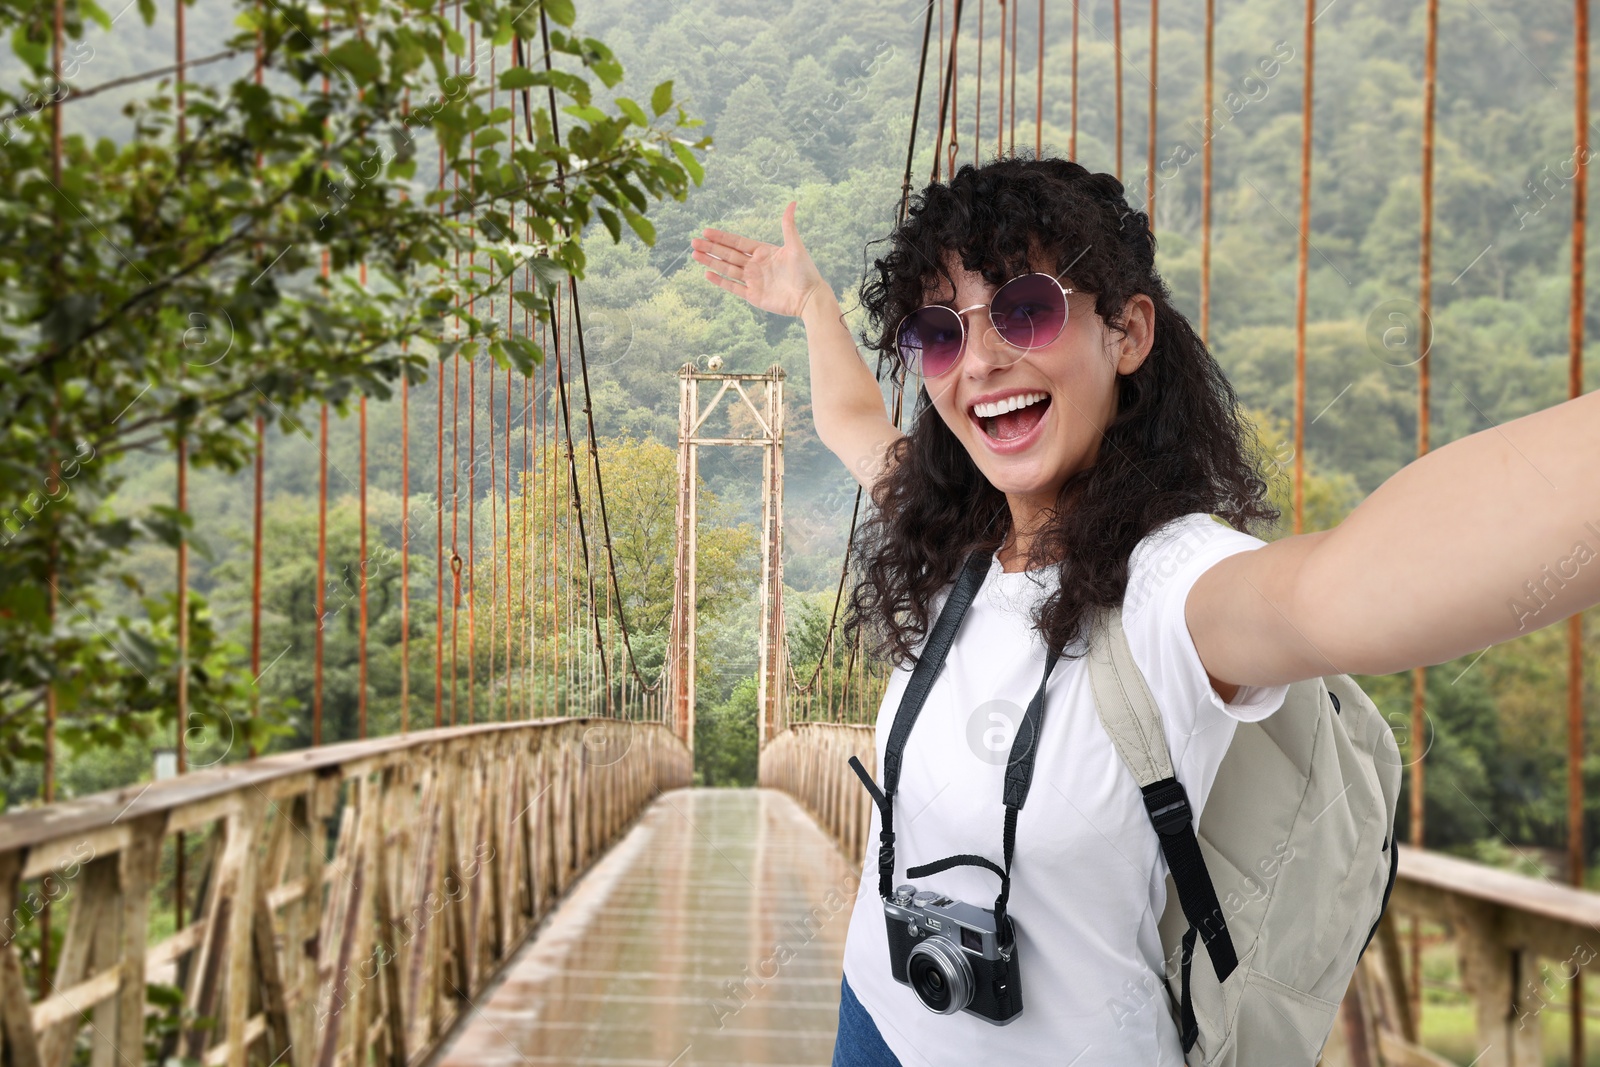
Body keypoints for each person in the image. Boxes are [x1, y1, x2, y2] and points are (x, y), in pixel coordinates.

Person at [690, 154, 1600, 1066]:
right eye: (939, 334)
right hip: (877, 1018)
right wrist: (811, 302)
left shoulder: (1172, 587)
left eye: (1025, 310)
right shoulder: (951, 550)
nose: (981, 361)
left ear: (1126, 332)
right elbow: (851, 419)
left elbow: (1342, 590)